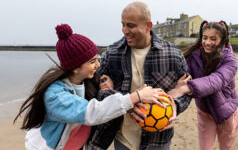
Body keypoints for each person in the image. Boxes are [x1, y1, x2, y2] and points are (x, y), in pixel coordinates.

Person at [14, 24, 169, 150]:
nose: (98, 64)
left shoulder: (88, 80)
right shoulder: (55, 96)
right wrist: (136, 96)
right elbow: (92, 112)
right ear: (75, 68)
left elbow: (108, 100)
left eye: (97, 59)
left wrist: (180, 90)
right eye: (92, 61)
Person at [92, 1, 192, 150]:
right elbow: (95, 90)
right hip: (122, 137)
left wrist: (175, 107)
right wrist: (110, 93)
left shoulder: (173, 54)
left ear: (148, 26)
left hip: (158, 139)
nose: (125, 30)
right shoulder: (111, 53)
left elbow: (187, 91)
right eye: (123, 25)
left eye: (131, 25)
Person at [168, 21, 238, 150]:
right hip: (205, 112)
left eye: (213, 39)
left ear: (222, 40)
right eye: (205, 38)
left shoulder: (230, 60)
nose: (207, 42)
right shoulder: (193, 57)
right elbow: (182, 76)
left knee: (226, 147)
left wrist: (186, 88)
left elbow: (217, 80)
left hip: (227, 112)